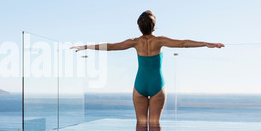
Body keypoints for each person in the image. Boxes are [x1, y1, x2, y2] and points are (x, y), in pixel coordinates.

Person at [70, 10, 224, 124]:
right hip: (157, 84)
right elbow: (183, 43)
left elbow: (111, 47)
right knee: (155, 125)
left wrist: (86, 46)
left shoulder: (135, 42)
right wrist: (206, 44)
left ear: (139, 26)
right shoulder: (159, 41)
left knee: (141, 125)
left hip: (140, 84)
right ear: (154, 26)